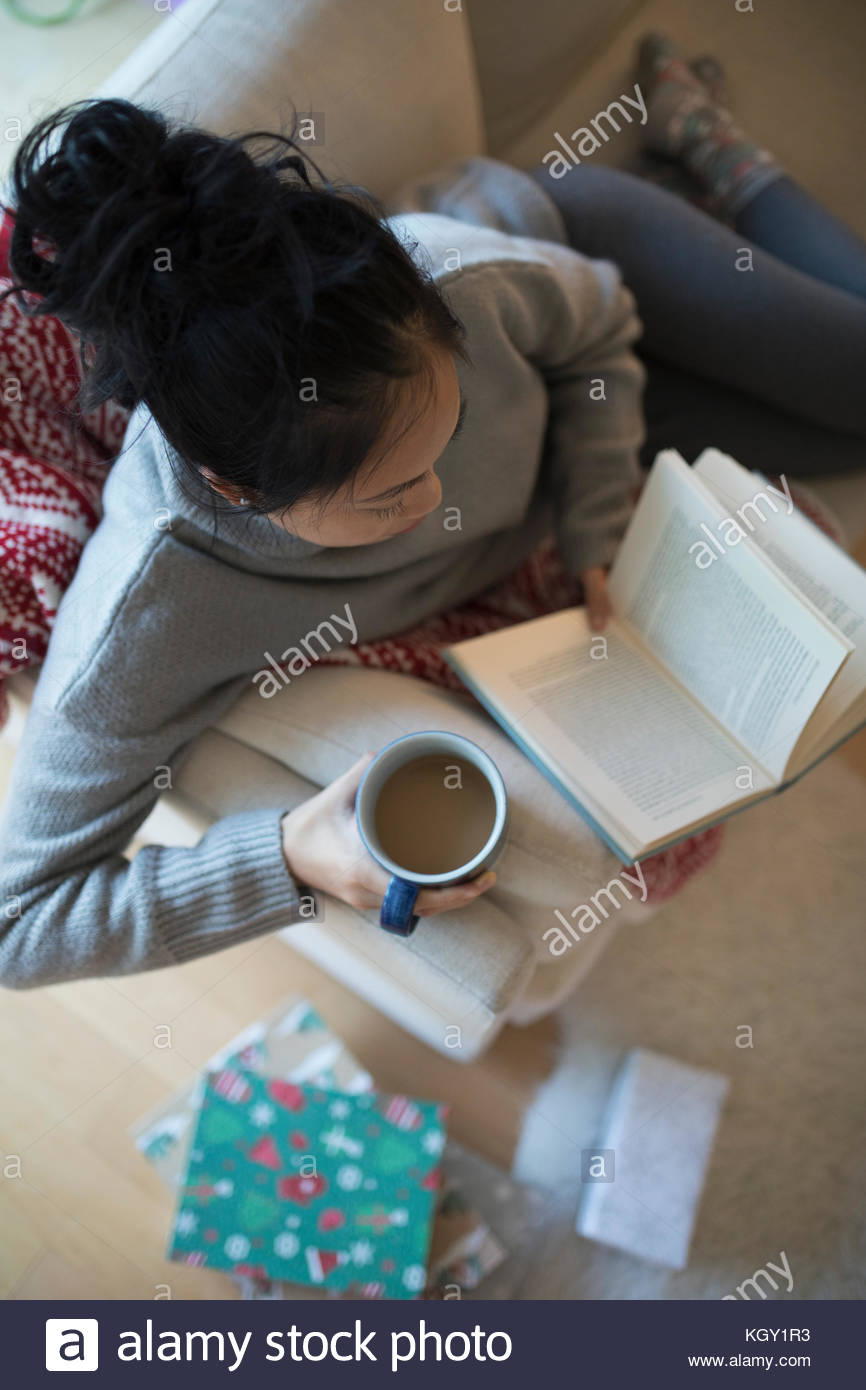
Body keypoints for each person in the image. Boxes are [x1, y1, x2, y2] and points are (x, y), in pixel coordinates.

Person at [0, 34, 862, 987]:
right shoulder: (150, 616)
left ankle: (710, 154)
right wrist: (283, 855)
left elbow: (601, 331)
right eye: (391, 496)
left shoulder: (454, 279)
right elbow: (20, 929)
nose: (443, 500)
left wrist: (597, 526)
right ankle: (715, 168)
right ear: (241, 494)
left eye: (444, 439)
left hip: (577, 260)